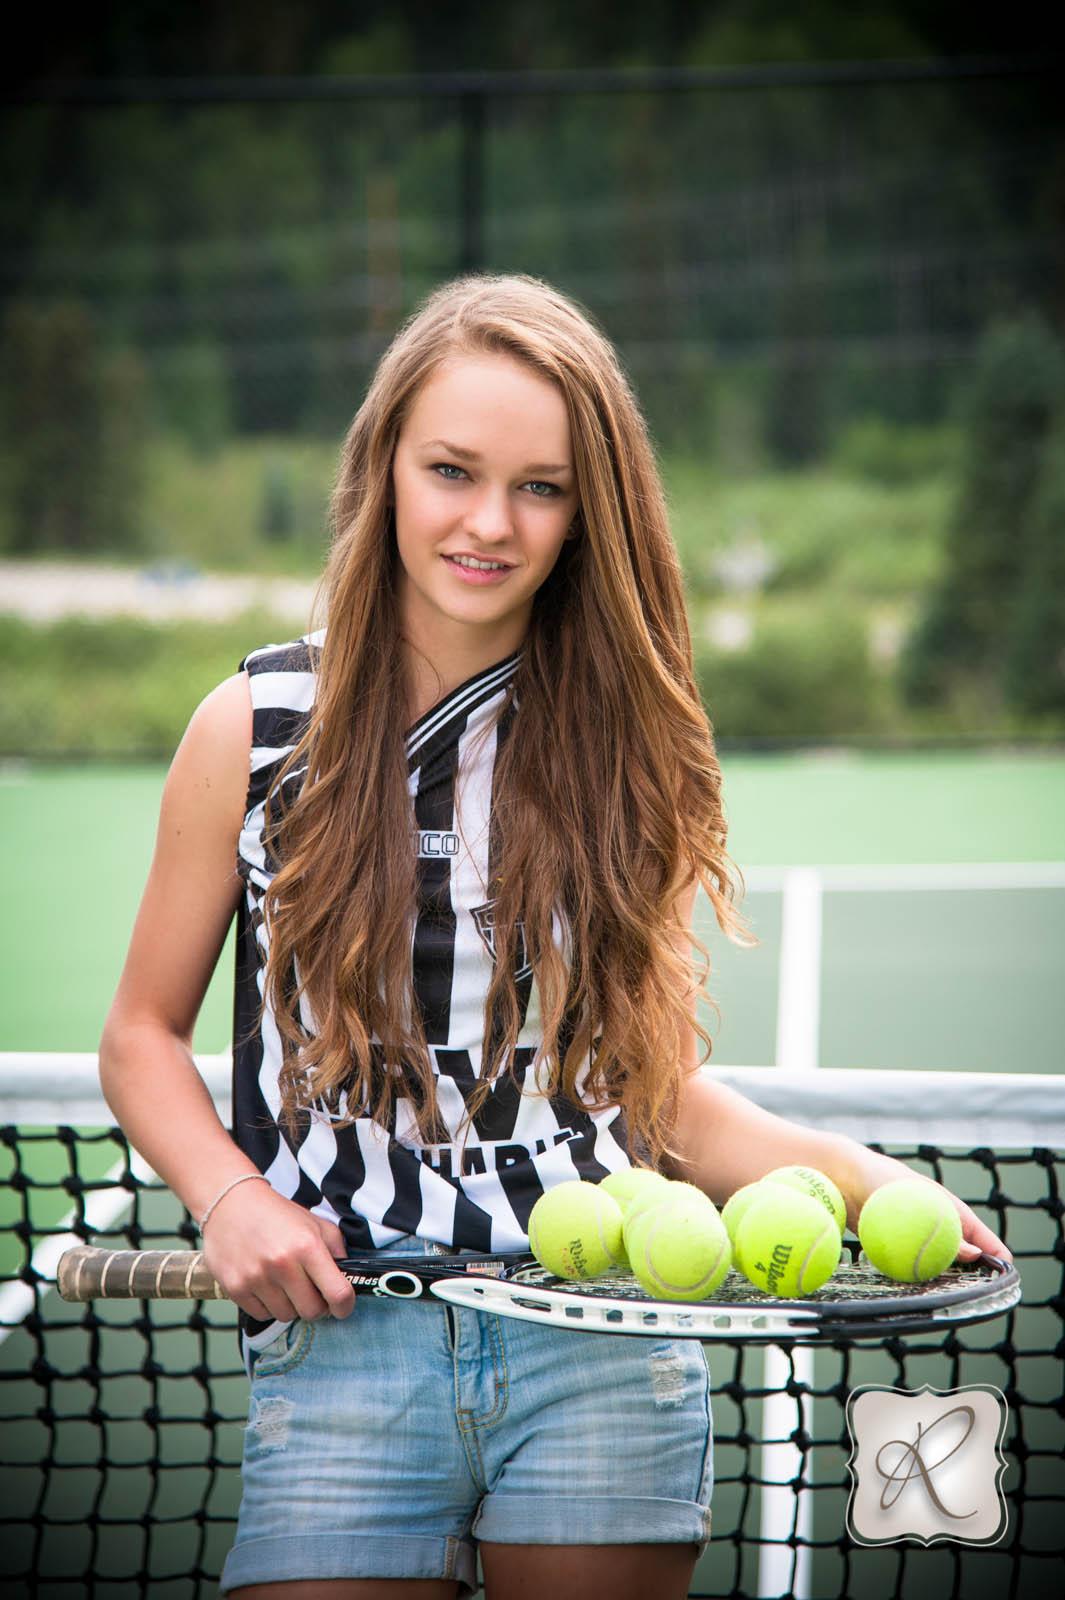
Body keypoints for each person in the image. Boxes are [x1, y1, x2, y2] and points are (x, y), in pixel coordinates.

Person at [98, 273, 1009, 1600]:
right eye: (452, 471)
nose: (487, 522)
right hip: (347, 1341)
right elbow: (138, 1039)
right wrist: (232, 1200)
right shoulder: (251, 727)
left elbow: (634, 1093)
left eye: (541, 487)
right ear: (382, 471)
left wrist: (857, 1176)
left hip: (602, 1340)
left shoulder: (616, 742)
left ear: (593, 512)